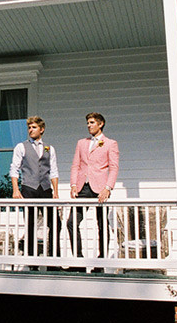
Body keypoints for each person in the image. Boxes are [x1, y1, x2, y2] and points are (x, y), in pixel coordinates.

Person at [67, 112, 119, 262]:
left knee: (102, 224)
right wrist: (73, 185)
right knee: (71, 222)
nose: (89, 126)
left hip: (100, 189)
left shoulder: (110, 143)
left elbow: (114, 168)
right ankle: (78, 259)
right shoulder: (81, 143)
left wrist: (108, 188)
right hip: (83, 188)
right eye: (88, 123)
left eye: (91, 123)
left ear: (100, 124)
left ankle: (101, 260)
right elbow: (75, 165)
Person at [10, 116, 59, 258]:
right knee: (31, 224)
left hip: (45, 189)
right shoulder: (21, 147)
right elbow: (14, 168)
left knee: (55, 223)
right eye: (29, 127)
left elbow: (53, 170)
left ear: (41, 129)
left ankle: (54, 257)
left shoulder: (49, 148)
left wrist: (55, 192)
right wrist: (15, 189)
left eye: (34, 127)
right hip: (29, 188)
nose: (31, 130)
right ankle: (32, 259)